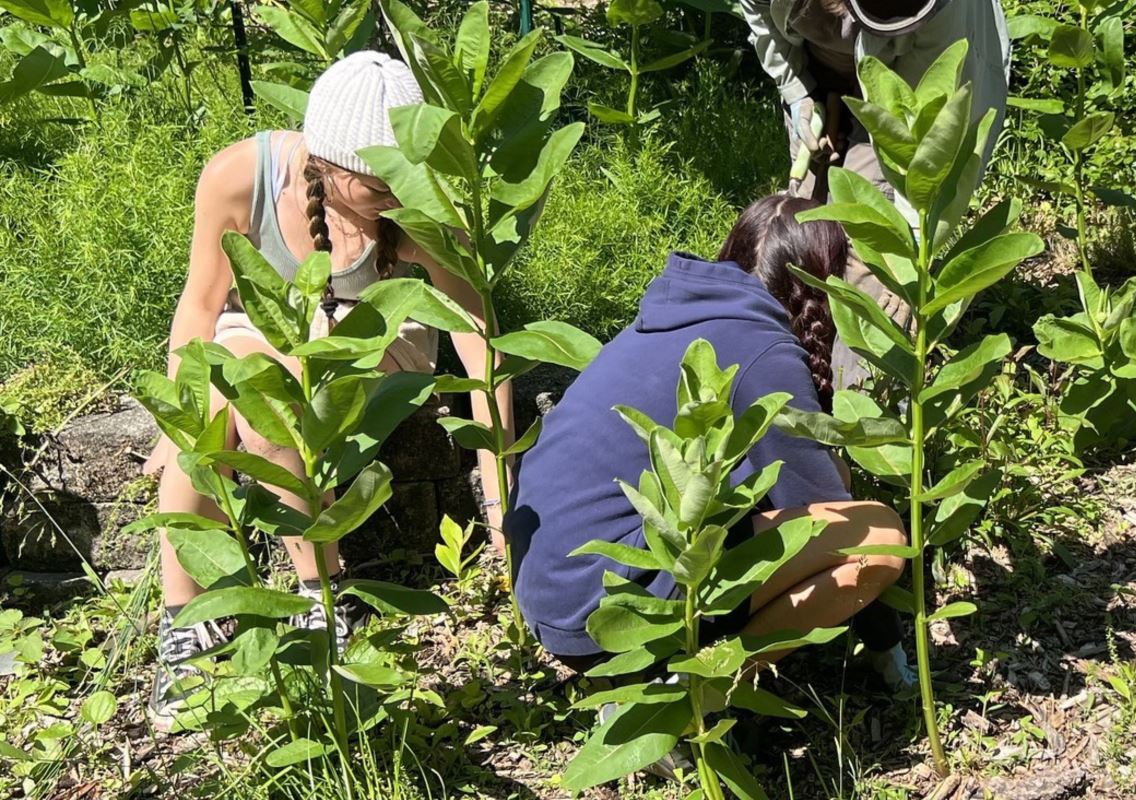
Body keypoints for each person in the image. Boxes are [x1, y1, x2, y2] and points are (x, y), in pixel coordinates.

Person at [142, 52, 514, 729]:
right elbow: (199, 309)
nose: (399, 194)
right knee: (223, 407)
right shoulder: (240, 176)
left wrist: (498, 496)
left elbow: (479, 337)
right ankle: (186, 625)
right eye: (381, 183)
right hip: (259, 332)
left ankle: (321, 596)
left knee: (268, 403)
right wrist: (178, 426)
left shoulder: (419, 212)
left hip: (377, 344)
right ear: (328, 163)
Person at [506, 194, 914, 689]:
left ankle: (655, 680)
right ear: (820, 283)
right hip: (605, 606)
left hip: (550, 591)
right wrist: (888, 647)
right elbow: (835, 514)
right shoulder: (764, 351)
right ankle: (688, 695)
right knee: (881, 539)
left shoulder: (678, 312)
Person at [739, 0, 1010, 386]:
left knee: (867, 252)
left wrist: (908, 253)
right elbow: (760, 14)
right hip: (820, 65)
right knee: (802, 236)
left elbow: (927, 140)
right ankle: (784, 386)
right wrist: (802, 92)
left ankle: (862, 410)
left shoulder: (942, 12)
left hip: (905, 85)